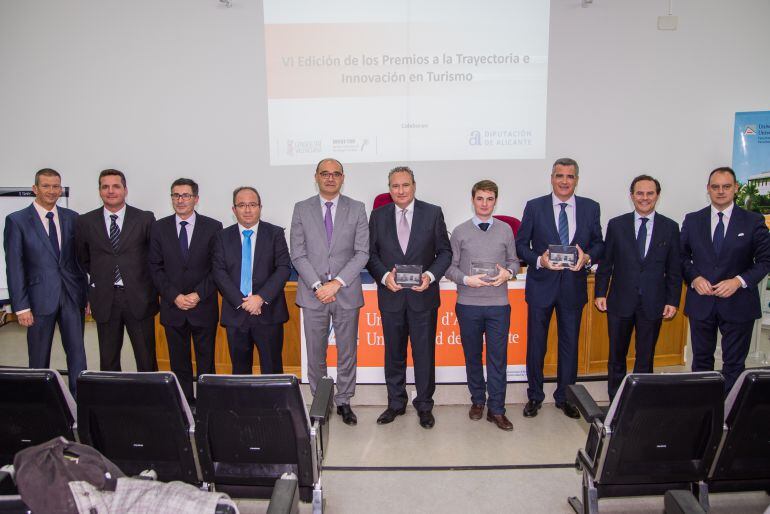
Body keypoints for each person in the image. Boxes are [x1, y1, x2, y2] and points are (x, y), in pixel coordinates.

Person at [516, 158, 604, 419]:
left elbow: (599, 244)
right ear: (551, 177)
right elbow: (521, 245)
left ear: (577, 179)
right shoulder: (535, 206)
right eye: (559, 176)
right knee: (536, 345)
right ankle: (534, 396)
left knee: (569, 345)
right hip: (542, 285)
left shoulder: (590, 208)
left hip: (573, 287)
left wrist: (587, 257)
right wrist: (539, 260)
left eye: (570, 176)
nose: (565, 181)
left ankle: (566, 397)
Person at [366, 166, 452, 429]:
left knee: (424, 353)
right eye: (395, 186)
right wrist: (384, 277)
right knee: (394, 353)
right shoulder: (378, 216)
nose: (400, 191)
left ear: (414, 186)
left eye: (405, 185)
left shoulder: (433, 212)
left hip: (422, 297)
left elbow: (445, 253)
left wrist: (430, 276)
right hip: (391, 296)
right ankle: (395, 403)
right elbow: (370, 255)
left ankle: (425, 406)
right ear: (389, 188)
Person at [290, 158, 369, 426]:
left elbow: (362, 253)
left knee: (347, 351)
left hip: (345, 292)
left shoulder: (357, 208)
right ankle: (320, 400)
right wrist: (317, 286)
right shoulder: (301, 209)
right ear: (316, 177)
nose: (330, 178)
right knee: (316, 353)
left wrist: (336, 283)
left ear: (343, 177)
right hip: (312, 294)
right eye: (325, 173)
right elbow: (298, 254)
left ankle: (345, 400)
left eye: (336, 174)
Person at [680, 166, 770, 392]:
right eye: (715, 187)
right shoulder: (693, 220)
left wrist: (738, 281)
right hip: (702, 302)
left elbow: (765, 261)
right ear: (708, 189)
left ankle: (730, 416)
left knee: (734, 366)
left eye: (726, 186)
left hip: (738, 303)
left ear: (736, 189)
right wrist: (694, 278)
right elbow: (680, 257)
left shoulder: (753, 220)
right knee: (701, 364)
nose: (721, 191)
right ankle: (703, 413)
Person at [594, 175, 681, 400]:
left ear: (657, 196)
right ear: (632, 196)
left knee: (646, 357)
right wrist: (600, 292)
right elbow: (607, 263)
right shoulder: (616, 224)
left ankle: (641, 402)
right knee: (616, 356)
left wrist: (673, 300)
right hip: (620, 301)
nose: (644, 198)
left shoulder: (670, 227)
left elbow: (674, 268)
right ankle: (615, 401)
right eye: (640, 193)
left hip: (653, 303)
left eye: (650, 193)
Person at [4, 168, 88, 395]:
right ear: (35, 189)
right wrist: (20, 306)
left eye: (56, 186)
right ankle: (40, 403)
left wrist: (86, 296)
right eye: (46, 186)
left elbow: (80, 260)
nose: (52, 191)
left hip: (71, 298)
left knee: (78, 355)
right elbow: (14, 266)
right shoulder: (17, 221)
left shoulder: (73, 218)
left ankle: (80, 404)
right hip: (38, 300)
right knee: (39, 358)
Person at [445, 180, 519, 431]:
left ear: (495, 201)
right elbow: (449, 267)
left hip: (499, 304)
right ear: (473, 200)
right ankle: (478, 401)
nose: (485, 203)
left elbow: (515, 261)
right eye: (480, 198)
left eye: (489, 199)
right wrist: (466, 279)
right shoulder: (460, 231)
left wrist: (508, 272)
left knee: (498, 359)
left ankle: (497, 409)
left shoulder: (506, 230)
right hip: (468, 304)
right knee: (473, 356)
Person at [149, 178, 223, 403]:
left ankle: (207, 404)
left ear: (196, 199)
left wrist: (198, 294)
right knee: (178, 363)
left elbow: (217, 268)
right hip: (173, 307)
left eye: (186, 196)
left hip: (203, 305)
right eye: (176, 196)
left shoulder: (213, 227)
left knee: (206, 362)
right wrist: (175, 296)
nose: (180, 200)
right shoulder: (159, 227)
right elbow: (154, 267)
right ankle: (183, 404)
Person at [75, 169, 158, 371]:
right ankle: (112, 401)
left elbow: (153, 257)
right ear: (100, 191)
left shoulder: (145, 219)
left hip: (139, 299)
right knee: (108, 358)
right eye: (105, 187)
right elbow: (83, 259)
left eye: (116, 186)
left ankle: (151, 401)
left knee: (146, 358)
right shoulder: (86, 222)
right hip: (105, 299)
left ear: (125, 190)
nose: (110, 191)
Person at [212, 186, 291, 374]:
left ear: (260, 207)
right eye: (242, 205)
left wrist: (260, 298)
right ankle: (243, 404)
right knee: (240, 370)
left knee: (272, 368)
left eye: (252, 205)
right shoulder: (222, 237)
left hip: (268, 312)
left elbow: (283, 268)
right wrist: (242, 302)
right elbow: (219, 271)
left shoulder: (275, 234)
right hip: (236, 312)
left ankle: (274, 404)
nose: (247, 210)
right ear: (234, 209)